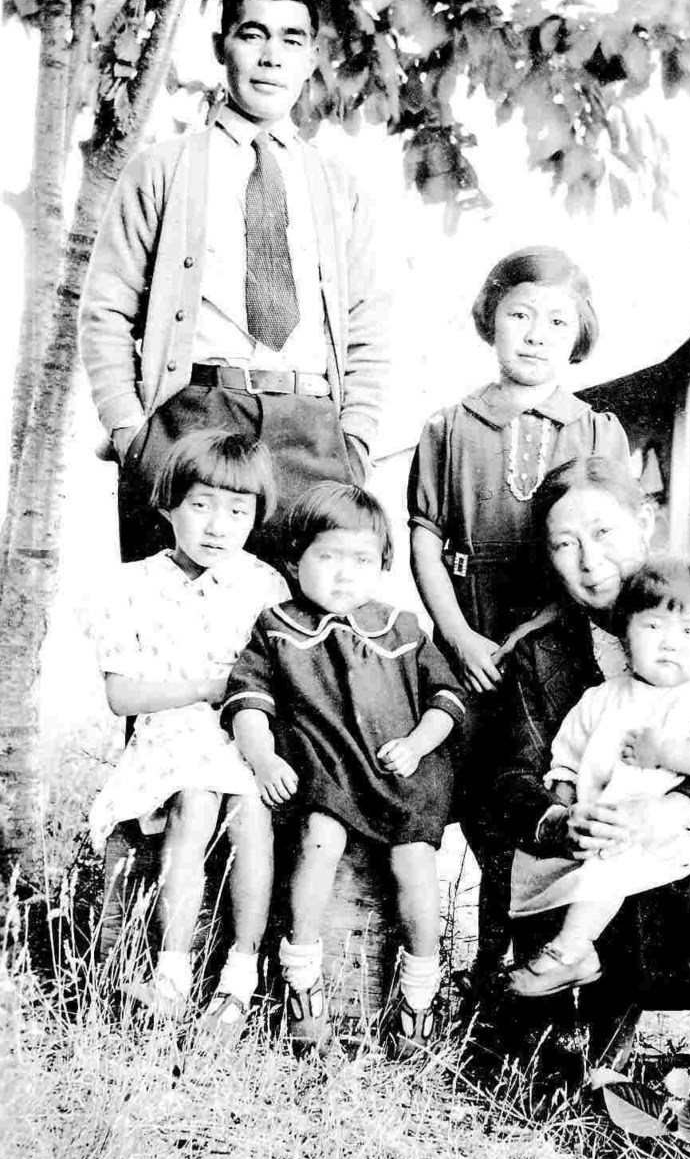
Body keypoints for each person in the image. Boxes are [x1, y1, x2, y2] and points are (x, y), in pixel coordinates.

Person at [491, 455, 690, 1091]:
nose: (590, 560)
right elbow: (514, 773)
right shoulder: (541, 650)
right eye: (566, 543)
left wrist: (687, 808)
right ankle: (596, 1055)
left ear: (643, 522)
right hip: (593, 840)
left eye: (605, 533)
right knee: (588, 881)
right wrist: (562, 820)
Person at [79, 0, 389, 566]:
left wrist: (356, 442)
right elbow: (107, 309)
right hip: (192, 419)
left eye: (292, 39)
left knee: (302, 631)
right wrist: (131, 434)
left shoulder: (337, 186)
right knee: (179, 634)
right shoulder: (164, 169)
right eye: (253, 35)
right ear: (223, 47)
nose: (272, 57)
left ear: (310, 58)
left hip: (311, 429)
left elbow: (367, 321)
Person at [407, 246, 630, 968]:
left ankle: (527, 966)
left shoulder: (597, 430)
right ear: (490, 320)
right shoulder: (450, 426)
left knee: (538, 792)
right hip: (468, 636)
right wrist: (460, 636)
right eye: (520, 315)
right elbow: (425, 539)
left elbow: (610, 544)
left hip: (554, 648)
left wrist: (536, 632)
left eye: (557, 321)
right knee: (473, 800)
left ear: (579, 334)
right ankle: (454, 958)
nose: (536, 334)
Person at [222, 482, 468, 1055]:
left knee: (415, 863)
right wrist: (263, 759)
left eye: (361, 560)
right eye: (326, 556)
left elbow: (446, 700)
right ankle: (302, 981)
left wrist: (417, 742)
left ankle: (418, 997)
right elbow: (248, 701)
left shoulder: (402, 627)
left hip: (403, 773)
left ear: (381, 565)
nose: (343, 574)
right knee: (319, 837)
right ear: (294, 559)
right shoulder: (277, 626)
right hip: (328, 772)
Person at [82, 430, 289, 1031]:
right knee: (196, 802)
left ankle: (239, 980)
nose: (218, 526)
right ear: (169, 504)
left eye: (237, 511)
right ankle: (172, 974)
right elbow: (122, 695)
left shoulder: (263, 585)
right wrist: (206, 687)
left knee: (251, 810)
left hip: (242, 738)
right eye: (200, 505)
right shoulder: (132, 585)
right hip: (170, 738)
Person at [508, 558, 690, 997]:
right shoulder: (603, 699)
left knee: (616, 861)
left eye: (689, 632)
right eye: (653, 627)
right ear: (625, 635)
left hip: (675, 829)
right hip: (599, 823)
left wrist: (669, 753)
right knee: (542, 868)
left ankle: (571, 950)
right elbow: (565, 759)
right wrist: (566, 806)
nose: (670, 644)